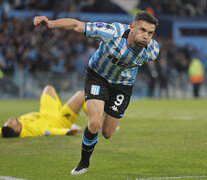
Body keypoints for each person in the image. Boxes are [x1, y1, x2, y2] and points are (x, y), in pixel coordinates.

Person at [33, 11, 159, 175]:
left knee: (107, 133)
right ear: (132, 27)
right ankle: (84, 162)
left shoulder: (152, 51)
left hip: (123, 85)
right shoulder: (112, 32)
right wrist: (50, 24)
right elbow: (77, 25)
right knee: (94, 123)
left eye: (150, 33)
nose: (146, 36)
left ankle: (102, 111)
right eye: (142, 30)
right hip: (98, 77)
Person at [0, 85, 87, 138]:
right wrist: (67, 131)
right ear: (18, 129)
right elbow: (49, 131)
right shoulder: (32, 130)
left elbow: (2, 131)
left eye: (7, 122)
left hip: (46, 111)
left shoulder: (9, 129)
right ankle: (96, 120)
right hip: (59, 120)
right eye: (10, 123)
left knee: (48, 88)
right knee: (81, 95)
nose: (9, 120)